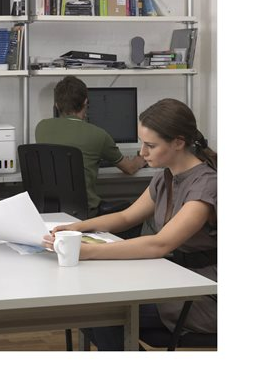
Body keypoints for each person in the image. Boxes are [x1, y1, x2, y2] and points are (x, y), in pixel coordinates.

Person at [43, 98, 217, 350]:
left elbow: (160, 244)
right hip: (173, 279)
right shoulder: (165, 178)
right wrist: (77, 227)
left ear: (179, 142)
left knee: (99, 313)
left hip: (203, 294)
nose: (142, 153)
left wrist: (86, 251)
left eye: (150, 146)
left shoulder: (206, 185)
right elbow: (126, 217)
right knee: (87, 308)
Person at [35, 76, 146, 217]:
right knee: (136, 214)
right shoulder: (99, 135)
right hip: (85, 212)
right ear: (85, 102)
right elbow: (129, 168)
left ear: (56, 105)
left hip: (49, 210)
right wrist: (142, 159)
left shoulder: (41, 127)